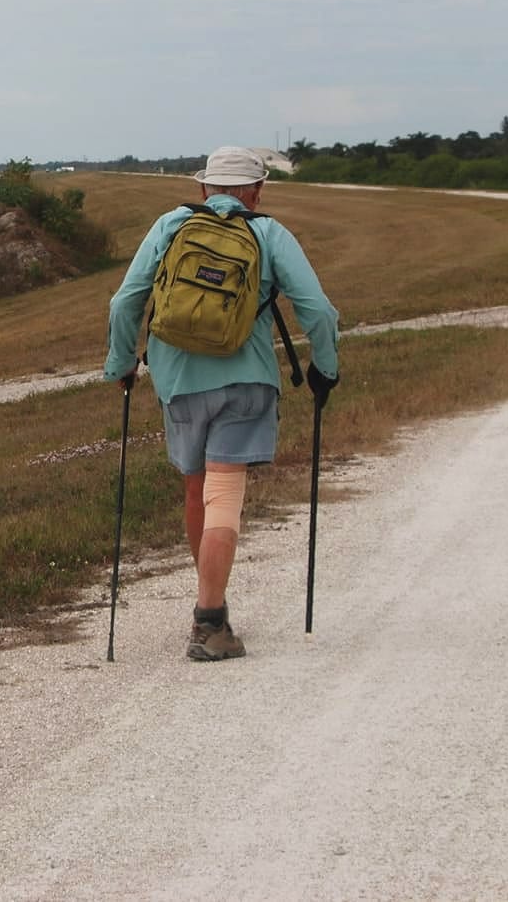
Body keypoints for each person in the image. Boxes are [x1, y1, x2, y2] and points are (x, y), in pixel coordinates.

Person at [104, 146, 340, 661]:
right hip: (246, 380)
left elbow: (125, 302)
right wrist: (326, 368)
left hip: (180, 381)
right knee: (225, 493)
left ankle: (210, 604)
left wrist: (121, 365)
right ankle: (209, 621)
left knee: (198, 491)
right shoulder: (268, 232)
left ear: (203, 190)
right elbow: (317, 310)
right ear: (256, 191)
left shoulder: (171, 226)